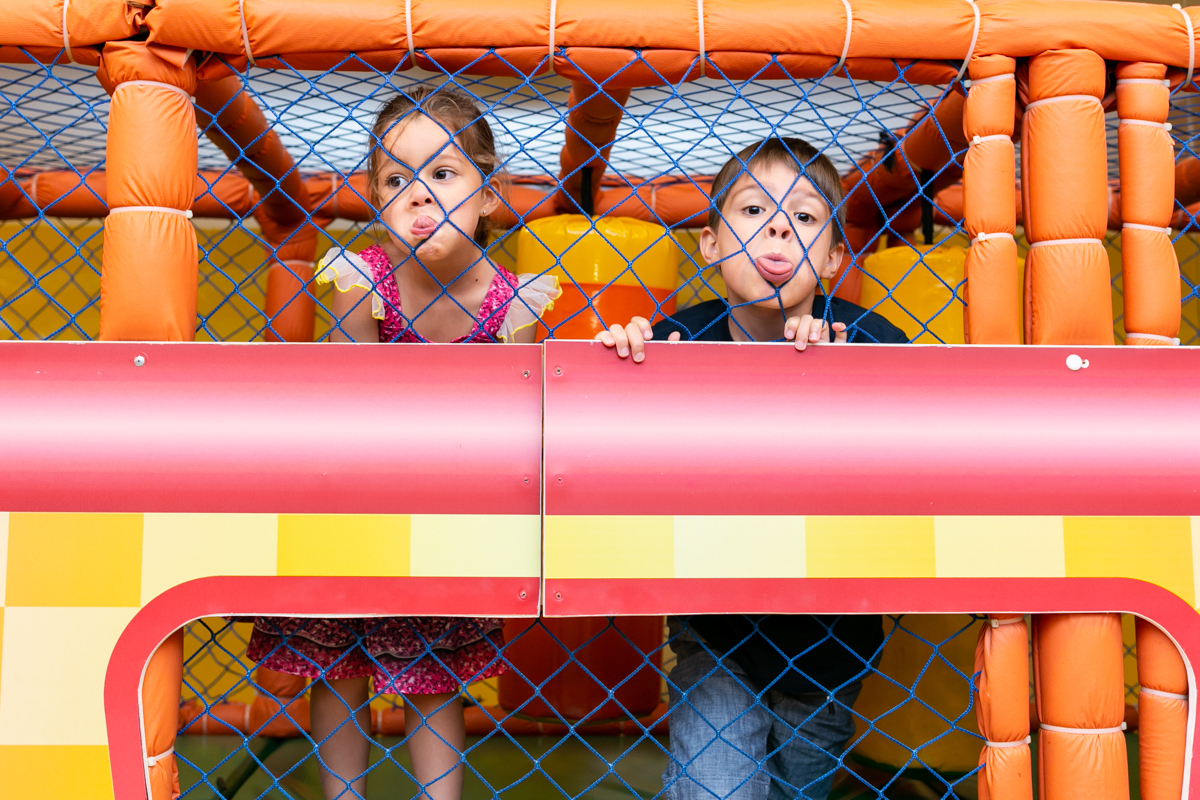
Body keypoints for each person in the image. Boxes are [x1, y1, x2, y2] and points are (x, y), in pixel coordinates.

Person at [247, 85, 559, 800]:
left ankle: (437, 794)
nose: (419, 195)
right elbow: (350, 399)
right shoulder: (365, 281)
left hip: (452, 509)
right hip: (357, 499)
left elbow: (516, 417)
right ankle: (342, 791)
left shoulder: (511, 305)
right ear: (378, 200)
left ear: (489, 195)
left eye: (443, 175)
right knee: (340, 656)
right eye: (397, 180)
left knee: (436, 664)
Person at [598, 137, 907, 800]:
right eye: (751, 210)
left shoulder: (869, 340)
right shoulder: (678, 340)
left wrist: (845, 380)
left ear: (831, 256)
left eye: (802, 216)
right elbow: (624, 447)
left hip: (832, 635)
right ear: (709, 243)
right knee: (717, 788)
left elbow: (909, 453)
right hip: (718, 624)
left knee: (804, 780)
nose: (776, 227)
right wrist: (620, 362)